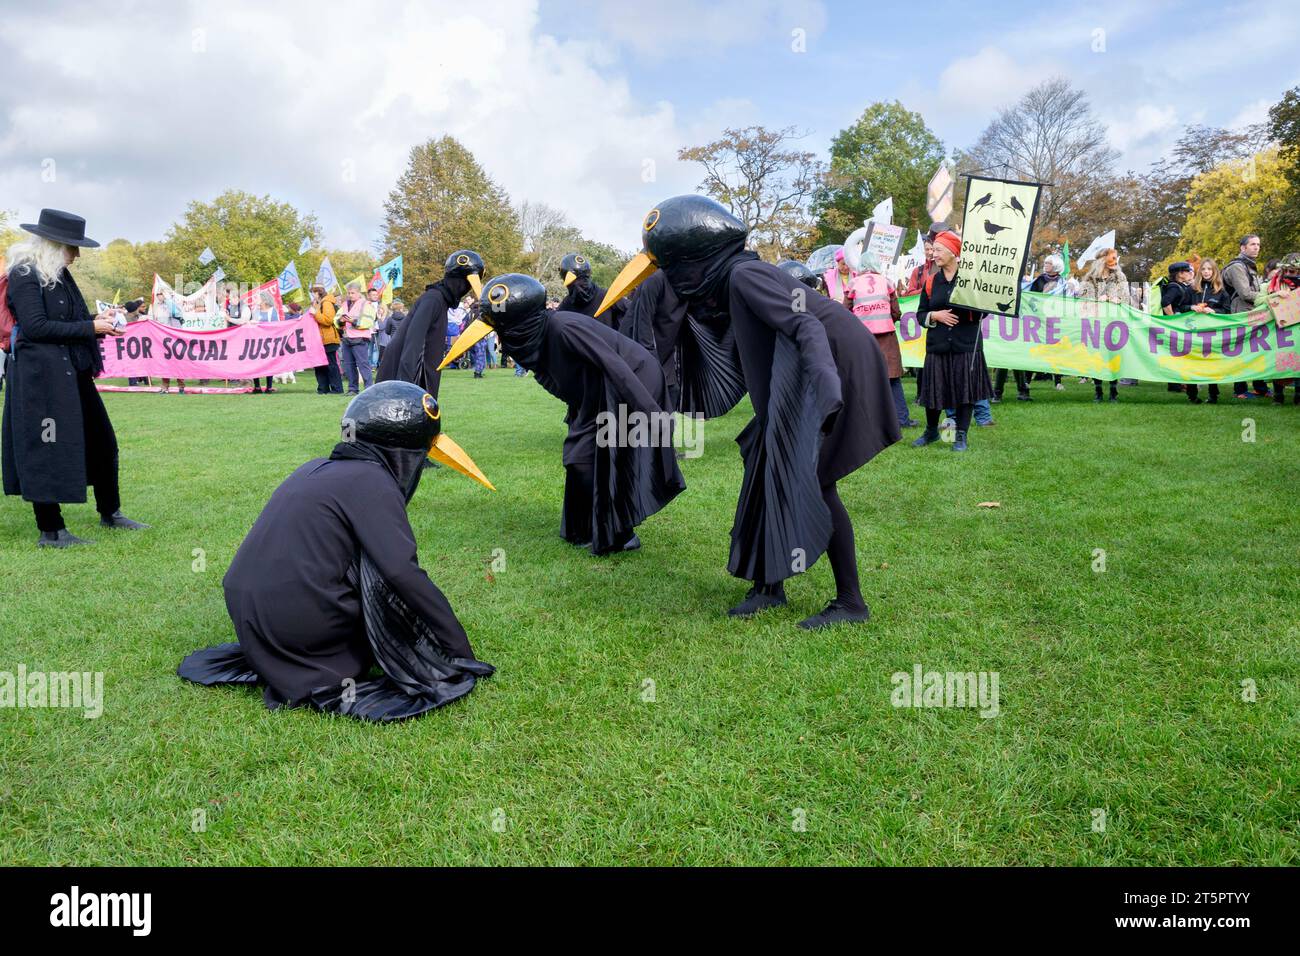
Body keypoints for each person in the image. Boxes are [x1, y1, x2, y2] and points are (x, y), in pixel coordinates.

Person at [598, 195, 900, 628]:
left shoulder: (744, 275)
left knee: (815, 479)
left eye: (668, 264)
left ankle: (851, 602)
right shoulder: (728, 281)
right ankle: (769, 586)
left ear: (691, 258)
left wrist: (826, 385)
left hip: (835, 365)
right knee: (760, 460)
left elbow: (806, 324)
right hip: (812, 370)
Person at [177, 381, 495, 721]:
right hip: (297, 628)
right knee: (381, 579)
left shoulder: (314, 468)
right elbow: (402, 573)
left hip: (256, 623)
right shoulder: (371, 481)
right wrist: (457, 649)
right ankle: (320, 657)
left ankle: (290, 655)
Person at [442, 273, 685, 556]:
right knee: (579, 456)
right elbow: (567, 376)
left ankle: (620, 534)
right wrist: (578, 409)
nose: (502, 338)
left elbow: (615, 366)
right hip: (600, 389)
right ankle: (582, 528)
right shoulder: (538, 336)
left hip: (634, 379)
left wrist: (653, 415)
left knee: (601, 456)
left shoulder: (562, 328)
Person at [2, 209, 148, 547]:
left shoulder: (58, 274)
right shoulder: (25, 274)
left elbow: (69, 321)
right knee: (46, 448)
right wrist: (90, 327)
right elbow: (36, 327)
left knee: (102, 441)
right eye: (72, 248)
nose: (77, 255)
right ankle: (51, 531)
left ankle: (110, 512)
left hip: (72, 372)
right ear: (54, 245)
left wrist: (104, 320)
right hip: (40, 378)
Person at [910, 230, 992, 452]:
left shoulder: (971, 280)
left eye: (938, 250)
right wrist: (935, 316)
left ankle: (960, 437)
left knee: (965, 391)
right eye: (933, 250)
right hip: (937, 345)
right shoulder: (930, 282)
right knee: (934, 391)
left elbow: (983, 312)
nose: (933, 254)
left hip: (965, 345)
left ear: (953, 252)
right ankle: (931, 431)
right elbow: (920, 314)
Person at [376, 250, 484, 397]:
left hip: (419, 372)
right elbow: (413, 342)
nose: (465, 290)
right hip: (405, 376)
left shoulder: (440, 300)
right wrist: (406, 387)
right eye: (466, 285)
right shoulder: (434, 299)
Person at [847, 251, 916, 429]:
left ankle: (869, 420)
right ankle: (902, 419)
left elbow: (845, 311)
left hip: (862, 338)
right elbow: (896, 311)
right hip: (886, 338)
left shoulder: (853, 283)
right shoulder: (887, 282)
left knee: (866, 379)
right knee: (893, 379)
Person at [998, 253, 1067, 399]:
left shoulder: (1062, 282)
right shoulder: (1040, 279)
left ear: (1056, 266)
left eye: (1048, 263)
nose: (1046, 265)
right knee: (1032, 349)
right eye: (1046, 263)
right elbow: (1031, 296)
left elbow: (1065, 299)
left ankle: (1057, 381)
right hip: (1038, 320)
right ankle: (1025, 384)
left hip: (1053, 320)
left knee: (1053, 351)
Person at [1222, 235, 1271, 399]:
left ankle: (1260, 388)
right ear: (1242, 248)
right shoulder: (1237, 267)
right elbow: (1245, 293)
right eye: (1252, 244)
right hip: (1241, 313)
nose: (1256, 247)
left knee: (1257, 350)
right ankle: (1240, 390)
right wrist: (1271, 297)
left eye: (1258, 244)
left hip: (1253, 313)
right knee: (1241, 352)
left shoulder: (1250, 265)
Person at [1077, 249, 1127, 402]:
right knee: (1096, 356)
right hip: (1095, 321)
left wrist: (1117, 299)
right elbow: (1083, 298)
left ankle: (1113, 391)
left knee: (1113, 355)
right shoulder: (1090, 278)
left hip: (1113, 322)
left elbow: (1125, 297)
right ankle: (1098, 390)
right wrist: (1098, 298)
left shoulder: (1119, 276)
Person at [1254, 251, 1300, 404]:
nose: (1287, 274)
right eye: (1285, 271)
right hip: (1280, 332)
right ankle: (1278, 395)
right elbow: (1257, 302)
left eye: (1292, 271)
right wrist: (1275, 296)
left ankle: (1298, 396)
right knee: (1280, 362)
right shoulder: (1269, 286)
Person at [1184, 258, 1231, 404]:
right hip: (1193, 332)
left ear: (1214, 271)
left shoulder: (1221, 291)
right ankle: (1192, 394)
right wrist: (1191, 307)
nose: (1206, 272)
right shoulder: (1191, 289)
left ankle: (1213, 394)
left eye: (1209, 269)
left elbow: (1228, 311)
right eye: (1203, 269)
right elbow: (1180, 307)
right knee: (1192, 362)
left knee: (1211, 363)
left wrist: (1215, 311)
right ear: (1200, 271)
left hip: (1212, 334)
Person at [556, 252, 625, 328]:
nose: (580, 285)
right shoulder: (566, 305)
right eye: (574, 282)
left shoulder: (608, 297)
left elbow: (633, 314)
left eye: (584, 279)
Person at [336, 282, 372, 394]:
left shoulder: (366, 304)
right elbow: (336, 319)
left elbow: (369, 321)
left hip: (360, 339)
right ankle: (352, 389)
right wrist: (340, 321)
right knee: (349, 365)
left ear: (358, 293)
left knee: (363, 364)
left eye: (353, 293)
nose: (350, 295)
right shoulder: (345, 304)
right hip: (347, 338)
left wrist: (353, 321)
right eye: (349, 293)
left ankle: (369, 389)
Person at [150, 290, 187, 394]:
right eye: (158, 295)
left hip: (175, 337)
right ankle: (165, 386)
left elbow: (174, 313)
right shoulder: (157, 306)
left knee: (177, 362)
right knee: (164, 362)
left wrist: (168, 300)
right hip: (163, 338)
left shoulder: (173, 304)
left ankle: (181, 386)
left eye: (161, 294)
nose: (159, 297)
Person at [310, 284, 343, 394]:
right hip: (319, 339)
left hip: (328, 338)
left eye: (313, 293)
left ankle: (336, 388)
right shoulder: (318, 303)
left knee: (331, 364)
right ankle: (323, 388)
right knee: (320, 364)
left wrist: (315, 313)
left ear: (317, 293)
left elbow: (328, 320)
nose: (312, 296)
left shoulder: (327, 302)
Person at [376, 297, 405, 368]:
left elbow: (387, 331)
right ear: (401, 309)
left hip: (393, 339)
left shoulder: (390, 319)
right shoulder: (406, 318)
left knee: (393, 356)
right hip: (403, 339)